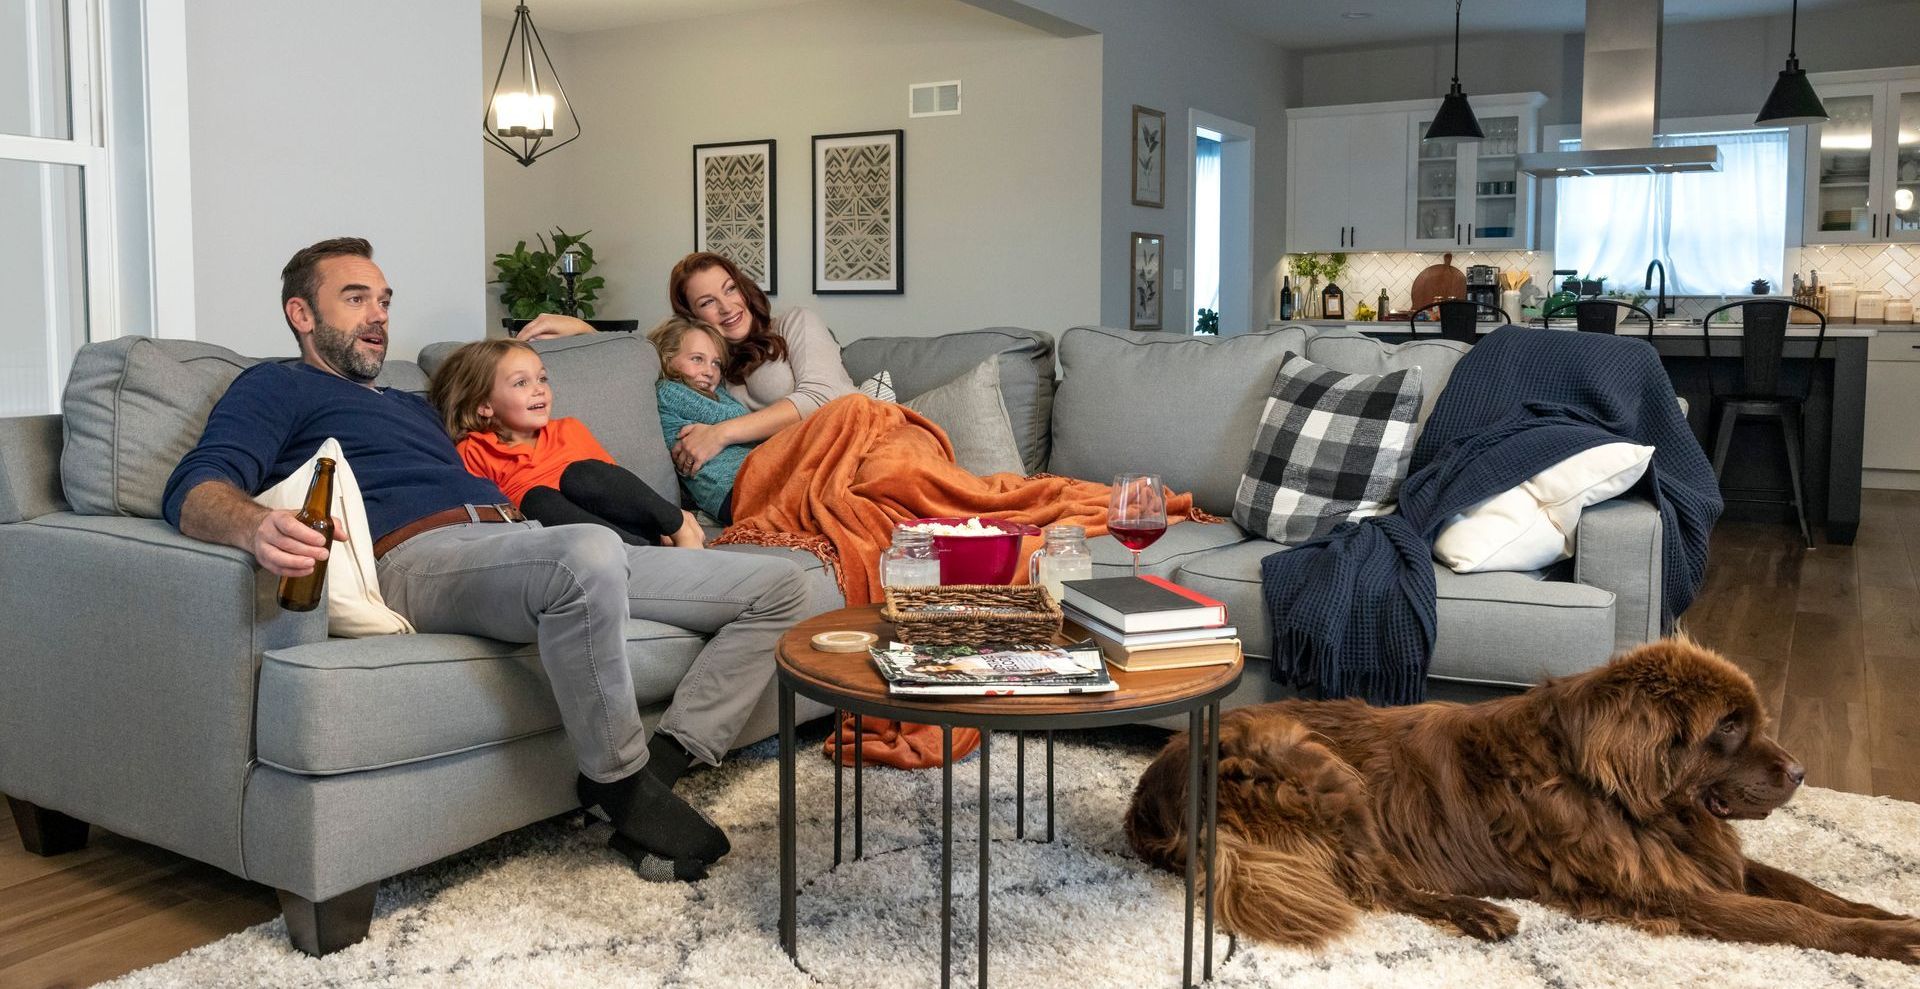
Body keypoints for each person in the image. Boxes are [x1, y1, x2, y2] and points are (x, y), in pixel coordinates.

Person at [161, 237, 820, 881]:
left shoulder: (410, 405)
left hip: (521, 541)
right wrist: (253, 525)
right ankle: (617, 782)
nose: (378, 315)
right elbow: (194, 487)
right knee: (586, 548)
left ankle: (664, 764)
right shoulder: (276, 387)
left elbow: (514, 409)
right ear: (301, 315)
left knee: (780, 583)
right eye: (356, 298)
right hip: (422, 557)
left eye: (385, 300)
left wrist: (572, 334)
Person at [520, 252, 856, 477]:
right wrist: (585, 331)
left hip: (851, 440)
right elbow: (649, 360)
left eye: (730, 289)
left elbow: (824, 399)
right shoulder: (707, 370)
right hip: (801, 467)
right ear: (693, 317)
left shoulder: (795, 322)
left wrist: (720, 434)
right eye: (708, 302)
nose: (727, 307)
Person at [429, 338, 705, 548]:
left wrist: (660, 521)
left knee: (581, 473)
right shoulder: (475, 450)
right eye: (521, 383)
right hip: (583, 543)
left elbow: (619, 491)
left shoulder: (569, 430)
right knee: (537, 499)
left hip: (626, 523)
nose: (539, 388)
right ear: (484, 405)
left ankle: (679, 526)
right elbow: (483, 518)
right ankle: (635, 554)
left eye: (542, 378)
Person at [649, 316, 757, 523]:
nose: (709, 372)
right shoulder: (669, 390)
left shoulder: (716, 393)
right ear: (667, 357)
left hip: (753, 478)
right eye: (697, 359)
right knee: (836, 415)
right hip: (732, 489)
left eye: (716, 363)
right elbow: (741, 418)